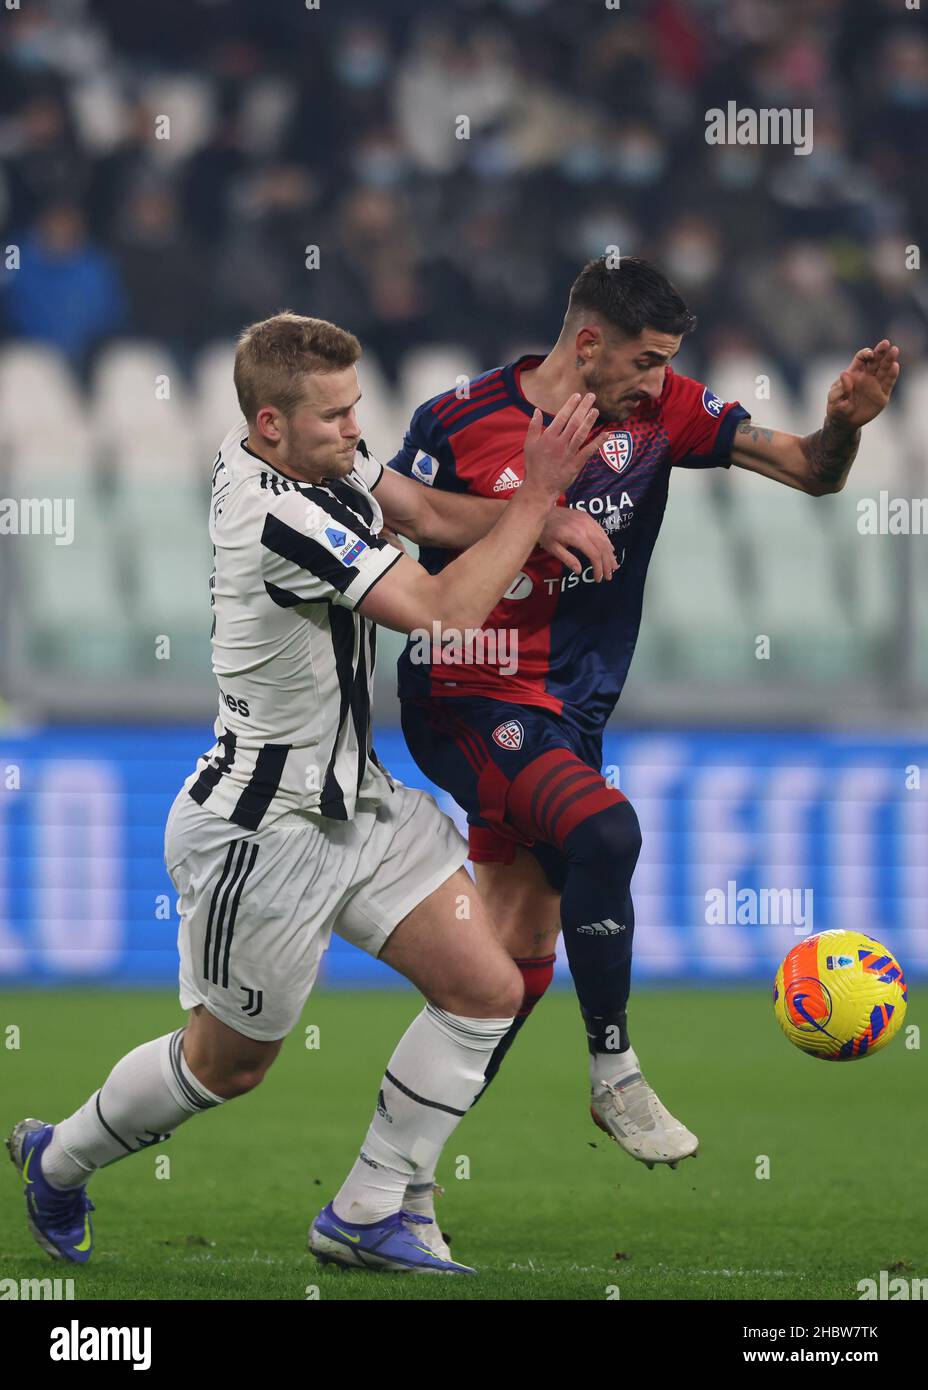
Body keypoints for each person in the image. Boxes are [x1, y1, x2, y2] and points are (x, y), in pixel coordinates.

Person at [6, 312, 610, 1276]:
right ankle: (59, 1157)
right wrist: (537, 497)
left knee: (486, 990)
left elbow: (420, 511)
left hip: (357, 805)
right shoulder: (278, 517)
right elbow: (441, 613)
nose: (354, 426)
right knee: (229, 1064)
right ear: (271, 426)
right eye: (334, 414)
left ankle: (369, 1209)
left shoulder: (317, 460)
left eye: (355, 405)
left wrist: (539, 517)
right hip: (263, 829)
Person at [378, 255, 900, 1257]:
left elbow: (809, 471)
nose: (660, 380)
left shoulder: (661, 412)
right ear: (586, 344)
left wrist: (845, 424)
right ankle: (613, 1070)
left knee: (506, 973)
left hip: (566, 715)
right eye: (646, 359)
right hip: (464, 689)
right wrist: (535, 513)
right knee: (604, 828)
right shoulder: (459, 420)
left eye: (669, 362)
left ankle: (387, 1186)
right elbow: (407, 519)